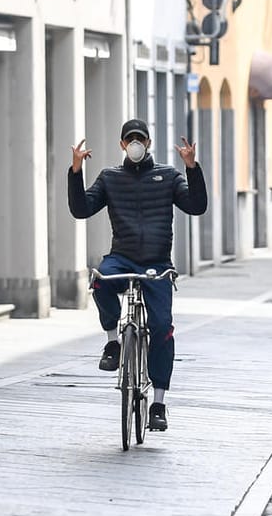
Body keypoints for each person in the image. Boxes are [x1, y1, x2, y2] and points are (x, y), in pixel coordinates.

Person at [68, 119, 208, 432]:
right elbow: (81, 210)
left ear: (148, 143)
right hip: (122, 257)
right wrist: (76, 172)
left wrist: (192, 168)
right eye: (129, 139)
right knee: (100, 281)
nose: (134, 144)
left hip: (157, 264)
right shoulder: (110, 177)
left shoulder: (168, 175)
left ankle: (158, 402)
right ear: (122, 145)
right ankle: (113, 342)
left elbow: (197, 206)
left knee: (161, 328)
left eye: (139, 139)